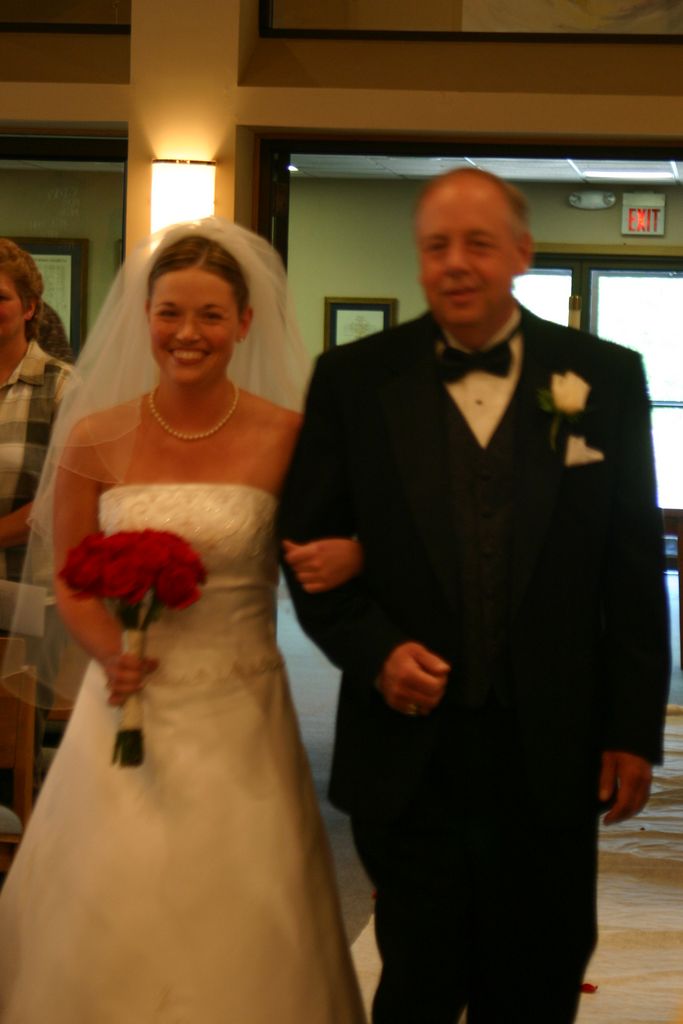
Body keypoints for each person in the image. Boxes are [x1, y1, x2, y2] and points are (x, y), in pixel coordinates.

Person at [279, 168, 670, 1023]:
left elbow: (631, 564)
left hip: (553, 742)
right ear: (419, 261)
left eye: (478, 244)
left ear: (520, 254)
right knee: (418, 978)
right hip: (409, 749)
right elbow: (306, 554)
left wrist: (631, 728)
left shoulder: (602, 375)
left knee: (539, 978)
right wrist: (374, 650)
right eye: (436, 246)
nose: (456, 263)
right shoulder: (353, 378)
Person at [0, 221, 365, 1023]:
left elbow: (335, 538)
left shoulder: (287, 436)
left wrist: (351, 553)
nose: (187, 334)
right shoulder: (97, 434)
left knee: (241, 891)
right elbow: (72, 572)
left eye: (208, 315)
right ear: (145, 320)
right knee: (118, 889)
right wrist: (107, 650)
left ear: (243, 323)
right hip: (127, 697)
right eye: (170, 313)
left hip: (241, 701)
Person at [0, 239, 72, 796]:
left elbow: (61, 497)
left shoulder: (62, 386)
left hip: (25, 595)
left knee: (12, 758)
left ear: (28, 307)